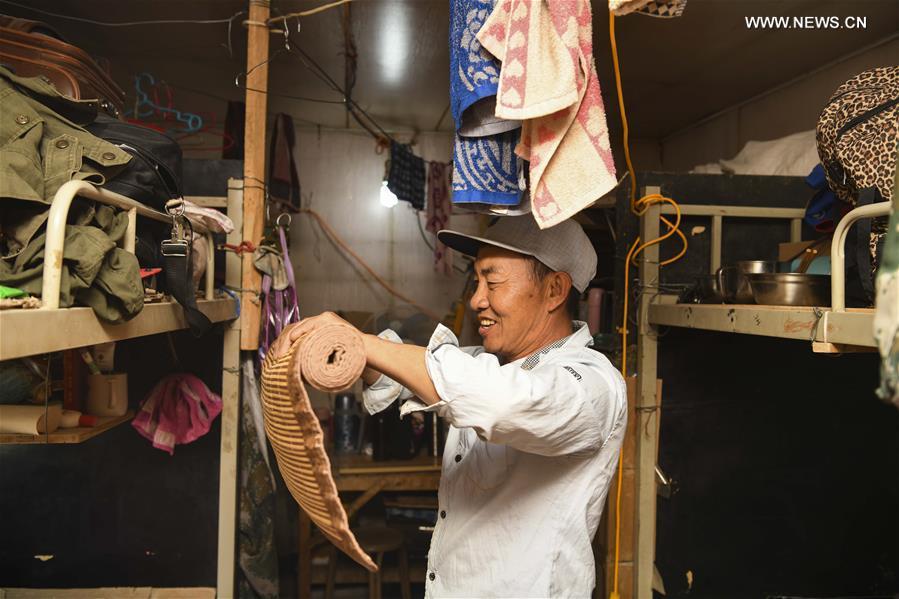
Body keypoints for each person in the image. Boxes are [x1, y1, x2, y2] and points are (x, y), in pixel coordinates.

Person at [285, 215, 627, 598]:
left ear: (554, 290)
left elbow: (502, 401)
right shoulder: (488, 362)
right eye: (476, 281)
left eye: (492, 282)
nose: (477, 299)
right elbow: (411, 380)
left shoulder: (593, 383)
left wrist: (367, 344)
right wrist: (357, 358)